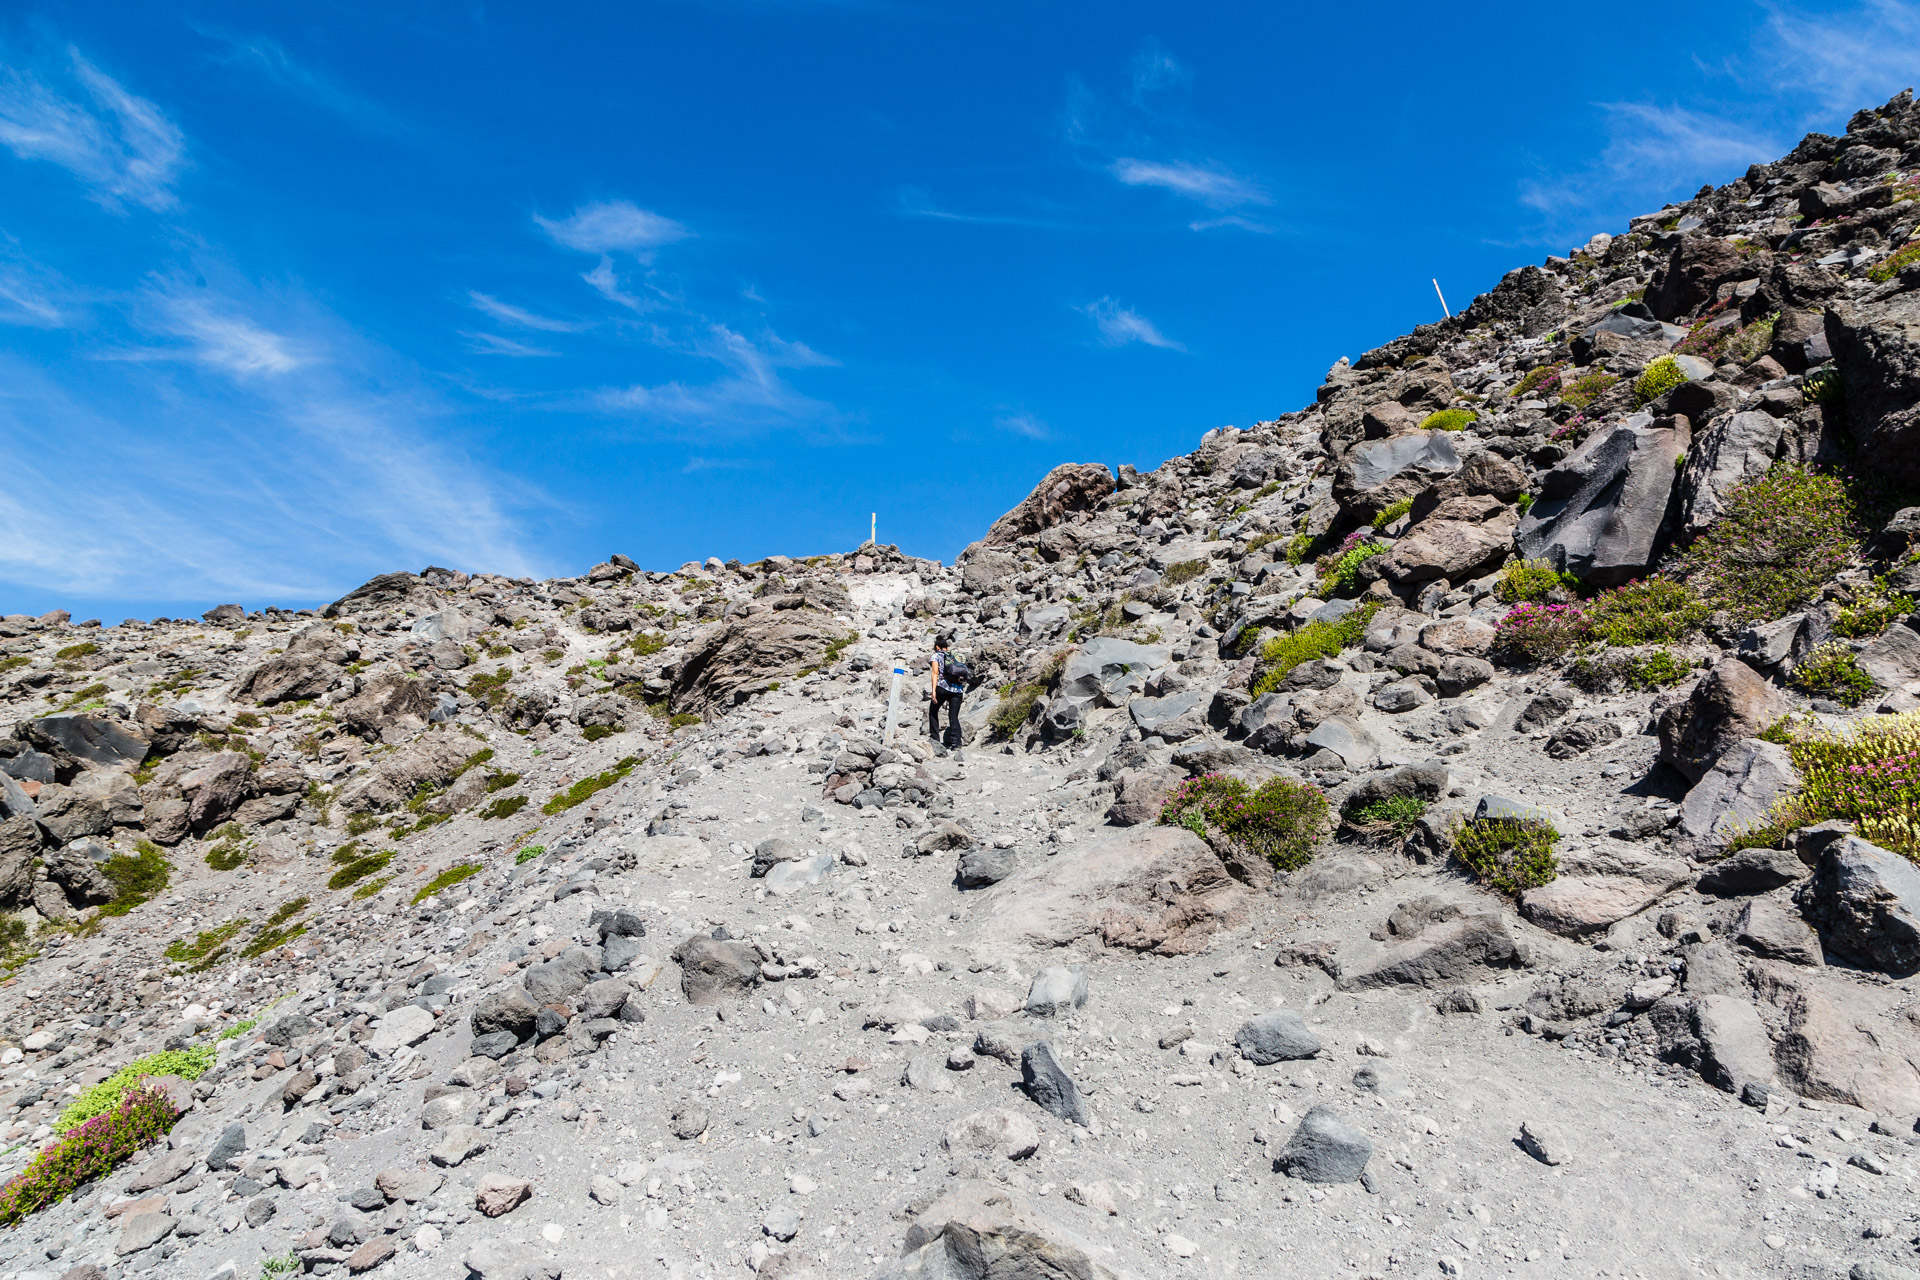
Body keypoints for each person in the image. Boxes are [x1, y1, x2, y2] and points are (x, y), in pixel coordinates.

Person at [929, 634, 965, 750]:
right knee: (953, 716)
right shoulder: (955, 656)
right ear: (947, 648)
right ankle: (957, 744)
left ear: (937, 647)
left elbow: (935, 673)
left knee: (933, 711)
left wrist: (933, 691)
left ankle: (935, 739)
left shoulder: (936, 656)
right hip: (958, 690)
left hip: (943, 688)